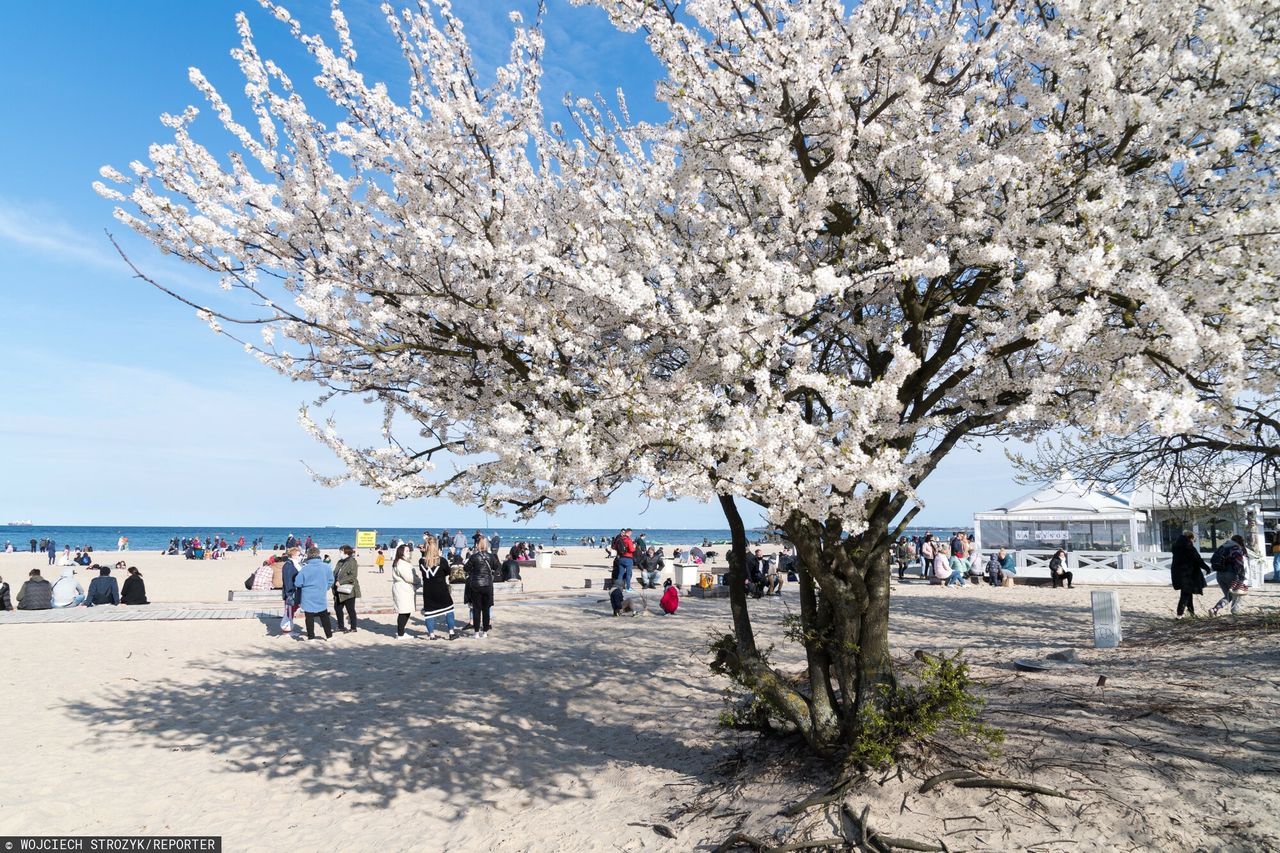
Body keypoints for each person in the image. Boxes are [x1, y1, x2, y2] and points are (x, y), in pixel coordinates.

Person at [419, 535, 459, 640]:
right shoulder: (442, 561)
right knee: (449, 610)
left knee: (429, 613)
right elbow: (448, 572)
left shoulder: (421, 562)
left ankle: (431, 635)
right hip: (441, 589)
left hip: (428, 590)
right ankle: (451, 632)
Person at [295, 546, 335, 641]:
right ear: (318, 554)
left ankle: (311, 637)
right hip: (320, 594)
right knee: (324, 615)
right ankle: (329, 636)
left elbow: (297, 583)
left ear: (309, 555)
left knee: (309, 617)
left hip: (307, 595)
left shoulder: (305, 568)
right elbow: (331, 580)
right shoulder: (326, 567)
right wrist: (325, 588)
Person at [464, 535, 499, 638]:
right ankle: (485, 632)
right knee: (486, 609)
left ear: (478, 545)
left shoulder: (474, 557)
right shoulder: (491, 556)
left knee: (476, 609)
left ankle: (476, 632)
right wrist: (492, 573)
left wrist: (473, 570)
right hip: (487, 584)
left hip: (476, 584)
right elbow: (498, 567)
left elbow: (466, 568)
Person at [1169, 531, 1209, 618]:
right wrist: (1206, 568)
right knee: (1186, 593)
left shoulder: (1176, 546)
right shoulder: (1188, 546)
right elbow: (1197, 559)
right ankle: (1179, 615)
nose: (1193, 542)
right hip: (1187, 573)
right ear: (1190, 538)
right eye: (1193, 540)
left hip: (1177, 572)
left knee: (1188, 592)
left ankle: (1191, 613)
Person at [1210, 535, 1249, 616]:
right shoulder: (1235, 547)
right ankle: (1236, 612)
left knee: (1229, 596)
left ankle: (1215, 609)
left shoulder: (1222, 546)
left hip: (1219, 575)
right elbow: (1238, 562)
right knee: (1237, 594)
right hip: (1231, 574)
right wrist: (1241, 576)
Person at [333, 544, 361, 633]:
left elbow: (353, 576)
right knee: (337, 608)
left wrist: (341, 582)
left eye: (341, 552)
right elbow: (335, 573)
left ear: (346, 552)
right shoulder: (340, 562)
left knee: (350, 609)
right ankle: (341, 626)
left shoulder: (352, 561)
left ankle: (353, 627)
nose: (340, 553)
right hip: (338, 589)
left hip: (349, 590)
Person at [391, 543, 417, 639]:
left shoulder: (402, 562)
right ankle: (400, 633)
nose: (408, 552)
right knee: (403, 611)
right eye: (406, 551)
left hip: (404, 588)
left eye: (408, 550)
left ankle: (401, 632)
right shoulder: (401, 563)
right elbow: (409, 577)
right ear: (401, 553)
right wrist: (418, 581)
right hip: (403, 588)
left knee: (406, 610)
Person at [281, 547, 302, 636]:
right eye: (298, 555)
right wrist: (289, 593)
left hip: (295, 591)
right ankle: (287, 630)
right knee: (289, 611)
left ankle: (288, 628)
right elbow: (288, 581)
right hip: (291, 593)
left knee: (292, 610)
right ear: (293, 555)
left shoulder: (294, 564)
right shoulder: (289, 565)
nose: (300, 556)